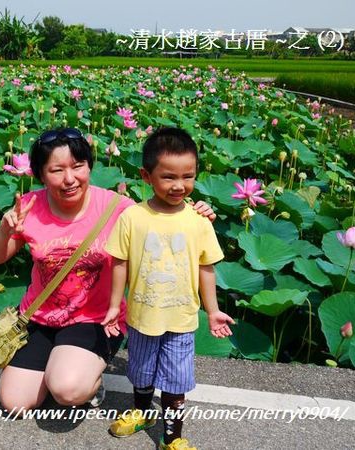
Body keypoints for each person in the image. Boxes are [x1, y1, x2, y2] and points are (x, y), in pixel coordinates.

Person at [0, 127, 216, 413]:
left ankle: (85, 375)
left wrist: (196, 211)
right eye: (57, 170)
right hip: (40, 318)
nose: (70, 179)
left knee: (68, 389)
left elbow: (166, 215)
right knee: (15, 403)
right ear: (41, 175)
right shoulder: (29, 206)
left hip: (95, 319)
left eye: (78, 166)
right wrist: (5, 231)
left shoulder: (119, 208)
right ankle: (62, 362)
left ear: (89, 166)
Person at [101, 127, 234, 450]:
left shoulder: (199, 221)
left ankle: (172, 437)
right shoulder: (132, 217)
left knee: (176, 383)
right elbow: (119, 263)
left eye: (188, 176)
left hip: (181, 319)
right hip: (143, 315)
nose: (179, 185)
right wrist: (114, 306)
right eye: (169, 177)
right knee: (141, 373)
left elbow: (206, 267)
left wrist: (213, 311)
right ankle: (143, 413)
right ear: (147, 175)